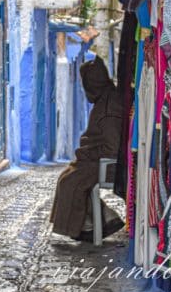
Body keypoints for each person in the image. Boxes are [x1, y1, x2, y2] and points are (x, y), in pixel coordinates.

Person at [50, 56, 126, 242]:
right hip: (96, 160)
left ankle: (87, 225)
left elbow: (111, 145)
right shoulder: (105, 100)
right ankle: (104, 218)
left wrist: (88, 152)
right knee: (67, 178)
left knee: (71, 182)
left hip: (104, 163)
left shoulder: (109, 106)